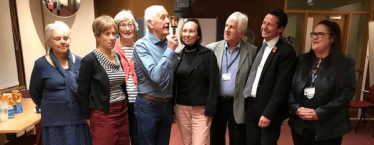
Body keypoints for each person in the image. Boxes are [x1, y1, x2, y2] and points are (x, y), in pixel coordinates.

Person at [288, 20, 356, 145]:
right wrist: (296, 108)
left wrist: (320, 113)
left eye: (320, 34)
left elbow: (347, 93)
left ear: (332, 38)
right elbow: (289, 89)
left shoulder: (344, 63)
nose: (314, 37)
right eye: (313, 34)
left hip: (328, 128)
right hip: (300, 125)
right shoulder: (301, 60)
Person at [29, 21, 92, 145]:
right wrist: (52, 106)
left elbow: (87, 89)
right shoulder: (41, 64)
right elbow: (35, 92)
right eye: (57, 38)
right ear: (49, 41)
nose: (63, 41)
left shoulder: (80, 61)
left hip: (78, 119)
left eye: (66, 38)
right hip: (54, 121)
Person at [243, 9, 296, 145]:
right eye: (264, 22)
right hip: (252, 106)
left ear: (280, 29)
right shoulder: (261, 45)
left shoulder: (286, 51)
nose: (264, 27)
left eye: (269, 24)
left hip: (268, 110)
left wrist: (268, 113)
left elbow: (281, 87)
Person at [77, 15, 130, 145]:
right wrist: (88, 117)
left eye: (114, 34)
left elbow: (122, 85)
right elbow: (82, 92)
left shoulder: (117, 56)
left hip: (122, 111)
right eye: (107, 34)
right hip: (102, 114)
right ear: (97, 36)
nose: (112, 38)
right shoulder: (89, 60)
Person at [206, 12, 257, 145]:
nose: (226, 29)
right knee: (216, 139)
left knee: (238, 139)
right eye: (226, 25)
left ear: (241, 32)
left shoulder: (252, 52)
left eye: (231, 27)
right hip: (218, 103)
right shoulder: (211, 49)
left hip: (239, 103)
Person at [133, 5, 179, 145]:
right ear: (150, 23)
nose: (168, 21)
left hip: (166, 105)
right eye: (162, 17)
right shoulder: (141, 46)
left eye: (168, 17)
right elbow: (156, 76)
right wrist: (170, 51)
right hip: (148, 105)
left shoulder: (168, 44)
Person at [173, 18, 219, 145]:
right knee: (187, 143)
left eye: (191, 31)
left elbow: (214, 83)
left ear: (198, 35)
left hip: (201, 110)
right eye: (185, 31)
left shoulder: (208, 55)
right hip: (181, 108)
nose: (187, 34)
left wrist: (210, 109)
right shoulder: (177, 55)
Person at [113, 9, 139, 145]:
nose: (127, 28)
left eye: (130, 24)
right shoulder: (112, 51)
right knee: (121, 138)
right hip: (120, 102)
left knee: (138, 137)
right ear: (117, 28)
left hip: (139, 101)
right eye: (123, 25)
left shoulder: (141, 48)